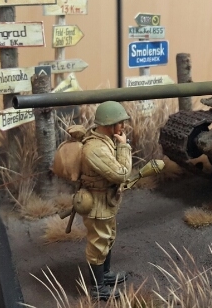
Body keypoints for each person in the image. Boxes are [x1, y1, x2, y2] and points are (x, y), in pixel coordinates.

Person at [79, 101, 132, 300]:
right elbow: (121, 173)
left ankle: (106, 275)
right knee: (98, 244)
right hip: (97, 203)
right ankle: (97, 288)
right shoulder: (95, 148)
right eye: (120, 122)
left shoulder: (105, 141)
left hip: (106, 201)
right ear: (109, 125)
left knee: (108, 238)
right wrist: (123, 146)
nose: (123, 126)